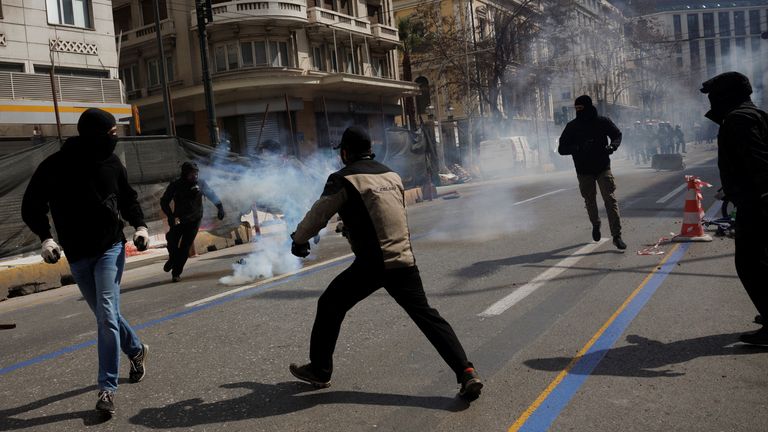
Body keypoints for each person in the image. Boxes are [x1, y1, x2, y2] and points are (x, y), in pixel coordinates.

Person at [288, 126, 483, 400]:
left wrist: (299, 238)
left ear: (345, 153)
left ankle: (320, 370)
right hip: (404, 260)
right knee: (427, 317)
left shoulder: (343, 178)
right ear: (370, 150)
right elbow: (382, 214)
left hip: (373, 264)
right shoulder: (392, 175)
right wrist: (351, 226)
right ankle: (466, 371)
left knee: (330, 304)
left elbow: (319, 214)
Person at [21, 108, 149, 415]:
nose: (115, 139)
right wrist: (45, 237)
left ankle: (106, 388)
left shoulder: (112, 163)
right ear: (95, 136)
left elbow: (128, 198)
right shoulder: (54, 167)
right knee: (108, 316)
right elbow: (31, 205)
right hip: (77, 253)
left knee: (105, 314)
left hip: (110, 248)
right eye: (111, 134)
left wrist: (140, 226)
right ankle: (136, 350)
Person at [701, 71, 768, 345]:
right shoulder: (754, 114)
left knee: (751, 264)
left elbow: (758, 160)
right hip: (754, 200)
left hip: (757, 204)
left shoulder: (738, 119)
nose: (711, 102)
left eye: (715, 95)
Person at [558, 95, 627, 250]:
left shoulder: (602, 122)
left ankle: (617, 236)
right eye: (576, 109)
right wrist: (578, 147)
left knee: (610, 200)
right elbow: (561, 149)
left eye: (581, 108)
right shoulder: (572, 126)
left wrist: (612, 146)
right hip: (583, 170)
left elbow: (617, 135)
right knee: (590, 201)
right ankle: (596, 224)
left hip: (602, 167)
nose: (578, 111)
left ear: (588, 107)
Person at [160, 161, 225, 282]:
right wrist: (170, 216)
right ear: (185, 174)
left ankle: (176, 273)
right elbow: (164, 201)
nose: (194, 176)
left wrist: (220, 207)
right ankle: (173, 259)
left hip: (194, 220)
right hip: (179, 219)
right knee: (171, 240)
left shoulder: (201, 184)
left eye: (196, 173)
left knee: (185, 248)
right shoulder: (176, 185)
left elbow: (211, 194)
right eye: (191, 174)